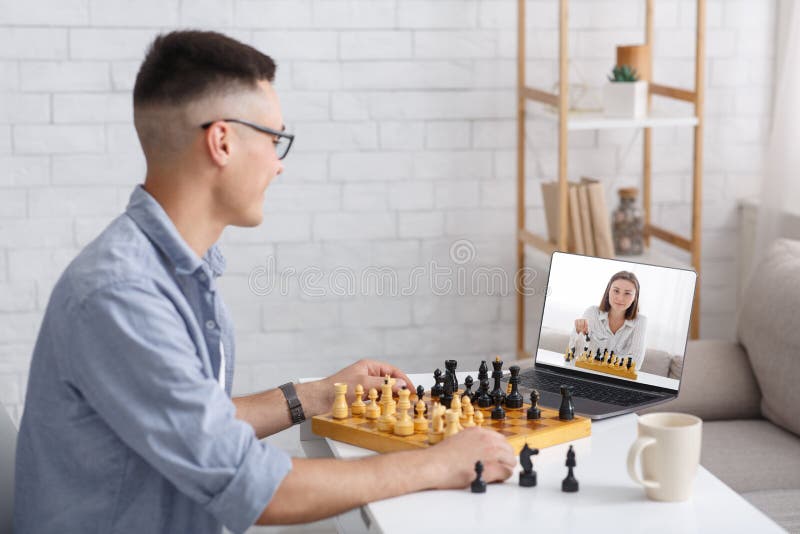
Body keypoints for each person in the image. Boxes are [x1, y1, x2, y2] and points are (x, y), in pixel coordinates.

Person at [14, 31, 515, 534]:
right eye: (275, 140)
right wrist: (439, 463)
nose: (279, 165)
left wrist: (315, 395)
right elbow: (254, 487)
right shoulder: (122, 295)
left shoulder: (171, 269)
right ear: (222, 141)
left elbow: (193, 422)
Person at [572, 270, 647, 370]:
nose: (620, 298)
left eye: (627, 293)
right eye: (616, 291)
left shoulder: (640, 321)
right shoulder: (592, 312)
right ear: (608, 291)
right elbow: (575, 353)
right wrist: (579, 333)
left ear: (635, 297)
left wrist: (598, 360)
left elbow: (636, 363)